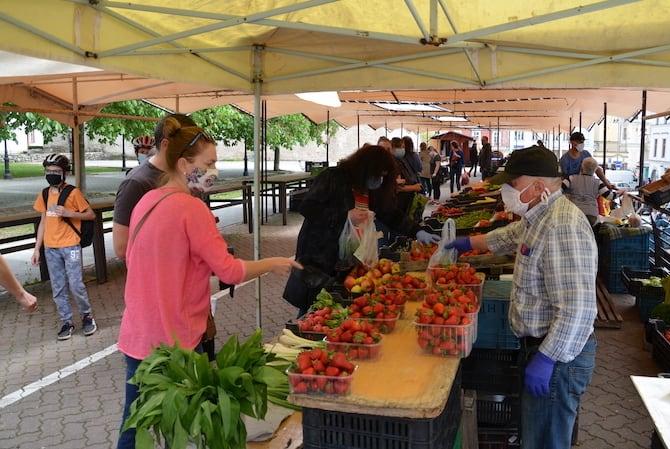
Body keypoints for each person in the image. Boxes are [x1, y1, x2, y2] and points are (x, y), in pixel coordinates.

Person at [116, 119, 301, 449]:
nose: (214, 171)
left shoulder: (147, 200)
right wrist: (274, 262)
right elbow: (229, 272)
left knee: (134, 425)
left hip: (137, 336)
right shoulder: (192, 209)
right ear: (185, 164)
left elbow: (133, 257)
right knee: (190, 428)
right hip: (177, 343)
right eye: (209, 163)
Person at [445, 146, 597, 449]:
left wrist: (546, 358)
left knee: (546, 441)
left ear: (538, 186)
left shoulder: (562, 225)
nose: (506, 192)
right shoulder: (541, 215)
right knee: (537, 436)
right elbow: (511, 236)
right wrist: (464, 242)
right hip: (543, 348)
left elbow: (578, 308)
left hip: (558, 359)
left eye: (513, 185)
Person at [283, 145, 439, 314]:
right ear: (365, 168)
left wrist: (417, 231)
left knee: (340, 305)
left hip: (348, 260)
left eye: (383, 176)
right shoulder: (333, 177)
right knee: (314, 308)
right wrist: (345, 216)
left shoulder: (370, 190)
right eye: (378, 175)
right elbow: (307, 207)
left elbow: (389, 213)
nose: (379, 180)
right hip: (320, 256)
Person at [31, 154, 97, 340]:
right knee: (58, 287)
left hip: (71, 247)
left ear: (64, 173)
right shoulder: (44, 194)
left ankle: (87, 316)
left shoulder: (73, 193)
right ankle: (66, 321)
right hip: (51, 248)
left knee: (76, 284)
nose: (52, 174)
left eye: (56, 171)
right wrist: (37, 248)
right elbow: (43, 221)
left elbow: (90, 215)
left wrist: (68, 212)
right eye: (49, 171)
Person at [113, 114, 197, 260]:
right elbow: (122, 248)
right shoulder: (135, 183)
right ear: (166, 145)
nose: (194, 153)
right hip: (157, 277)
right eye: (188, 147)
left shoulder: (185, 175)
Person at [563, 157, 626, 225]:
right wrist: (621, 192)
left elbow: (559, 189)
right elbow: (610, 196)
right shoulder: (598, 183)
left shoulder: (571, 178)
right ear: (595, 169)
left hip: (574, 213)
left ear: (581, 167)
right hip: (591, 216)